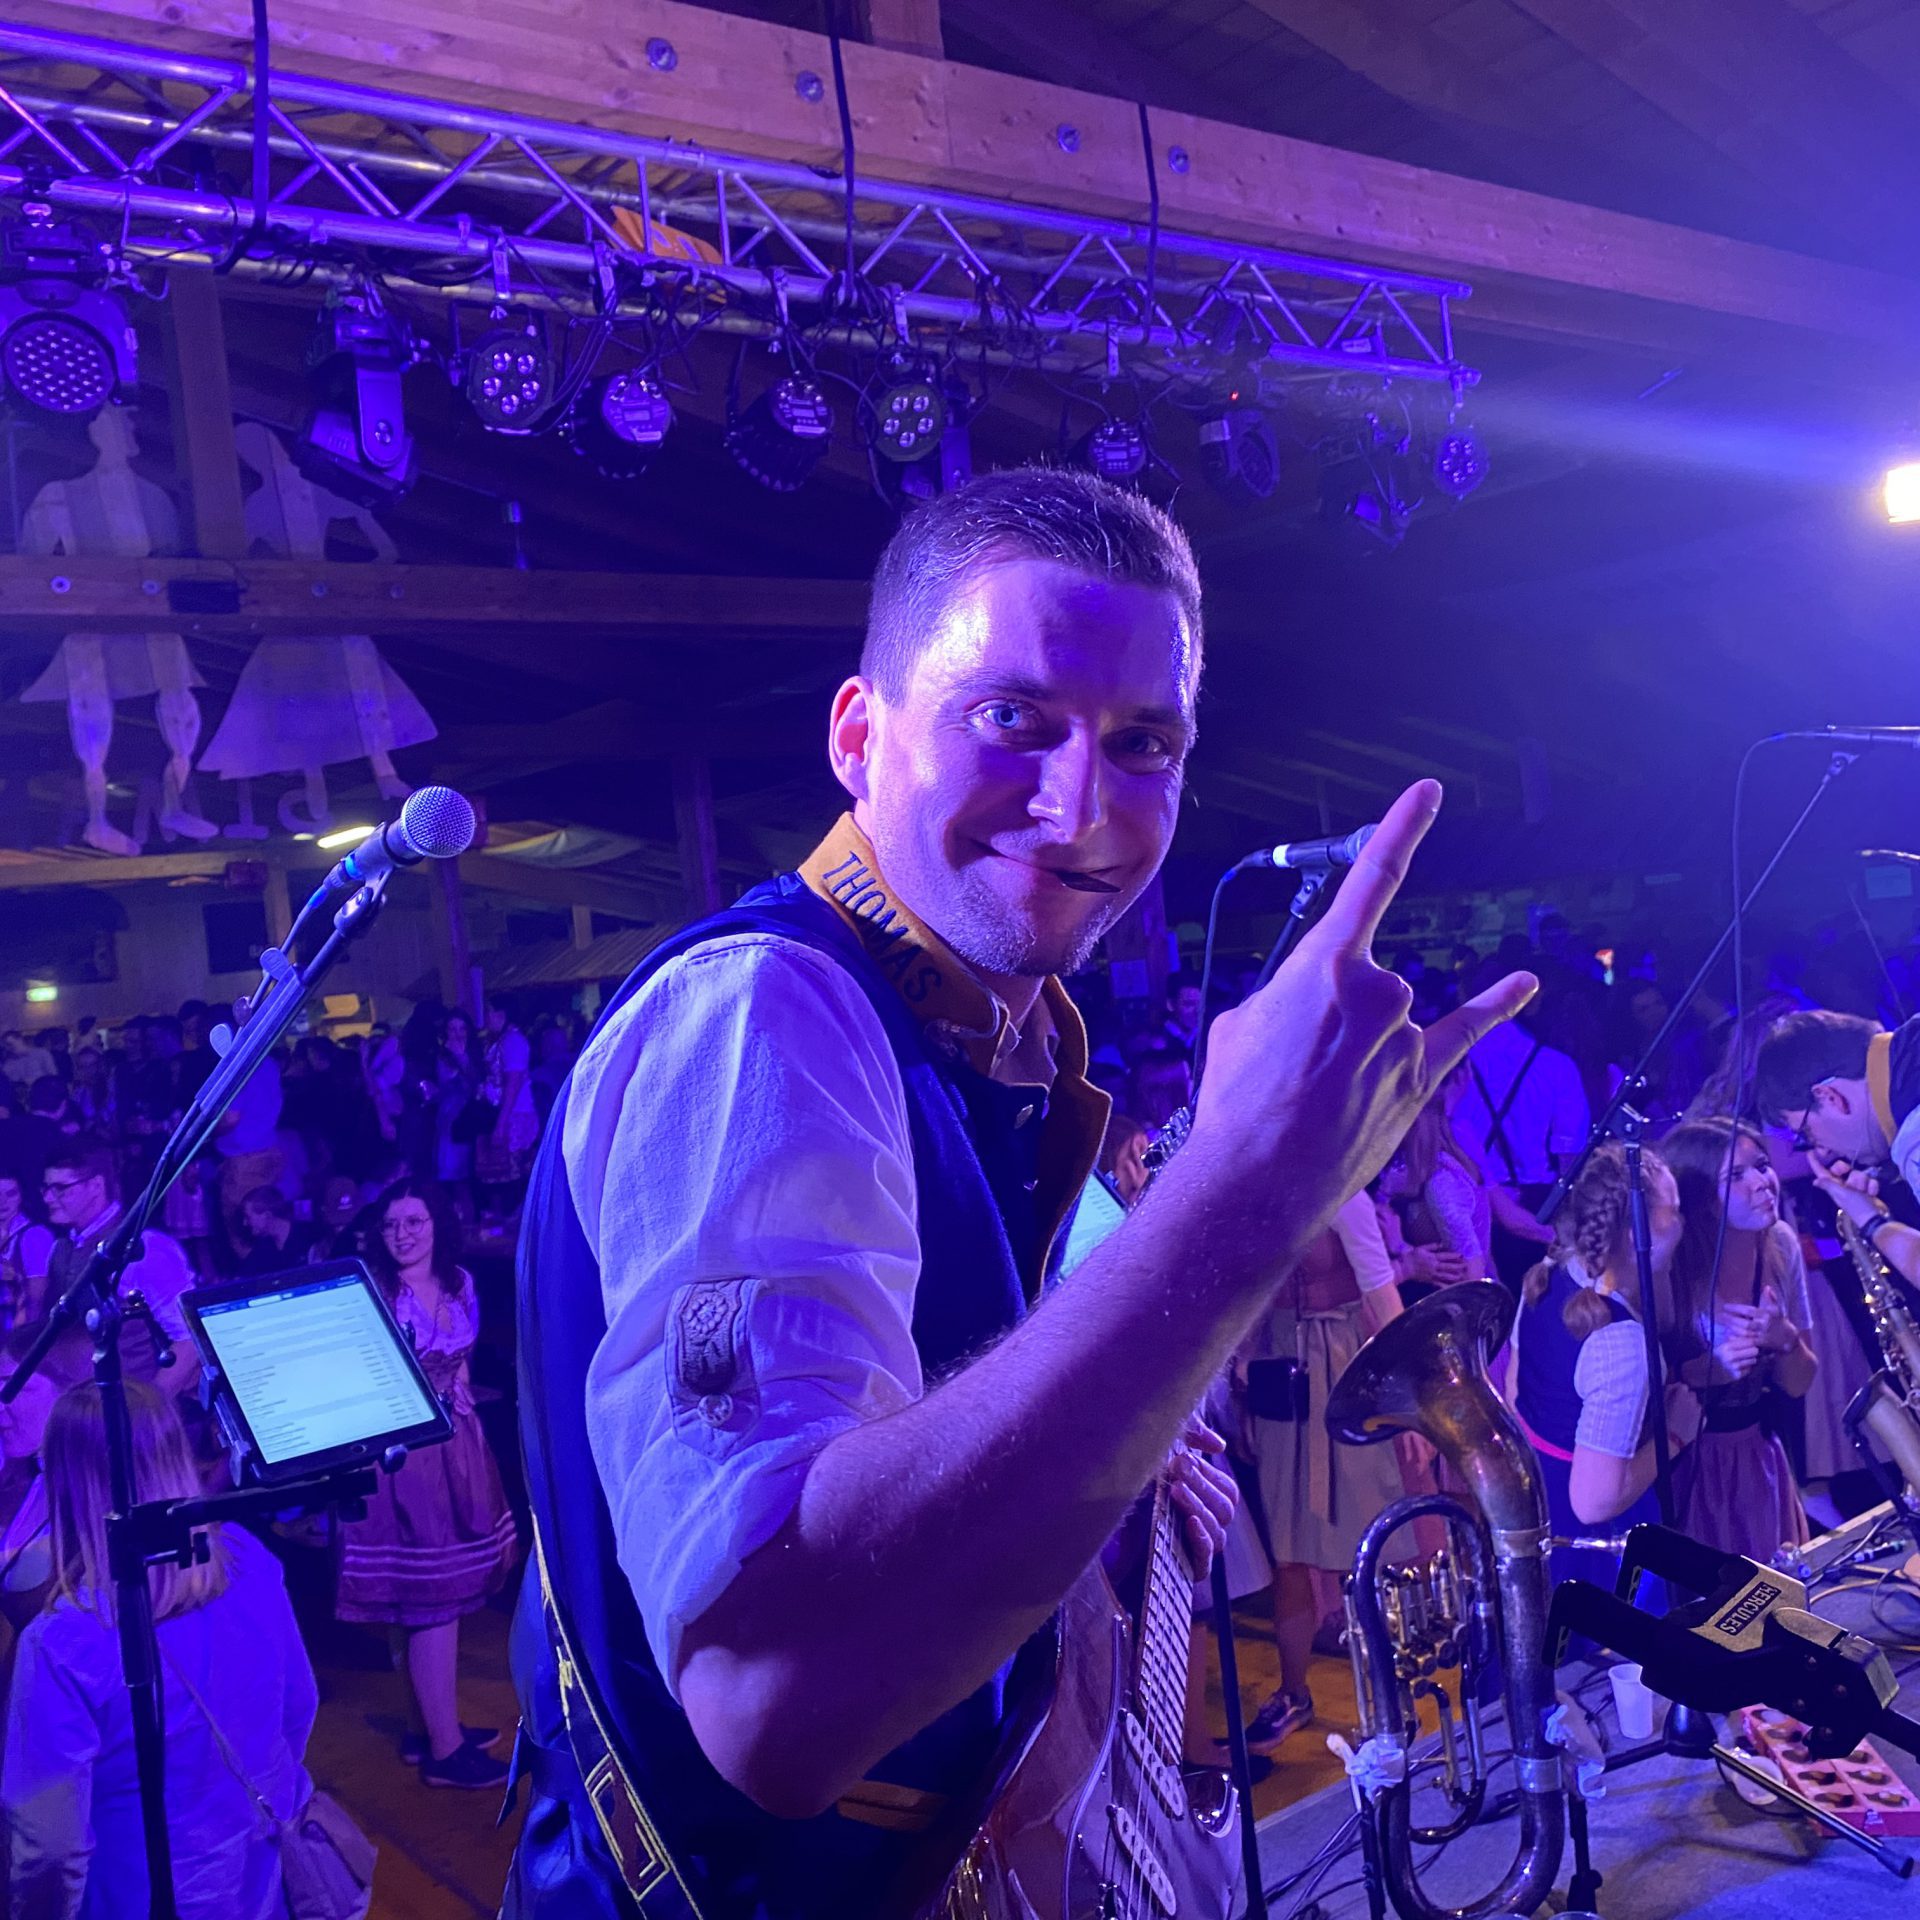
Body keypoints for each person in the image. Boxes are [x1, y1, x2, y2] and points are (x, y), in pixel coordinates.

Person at [505, 465, 1535, 1916]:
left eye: (1143, 743)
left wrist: (1111, 1453)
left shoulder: (993, 1039)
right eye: (1014, 720)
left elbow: (935, 1435)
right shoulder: (763, 1016)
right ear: (859, 736)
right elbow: (775, 1700)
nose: (1081, 809)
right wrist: (1248, 1187)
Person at [2, 1380, 320, 1920]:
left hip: (136, 1894)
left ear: (64, 1482)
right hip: (258, 1875)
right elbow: (297, 1709)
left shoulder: (65, 1642)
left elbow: (50, 1846)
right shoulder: (249, 1558)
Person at [336, 1180, 516, 1787]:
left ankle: (427, 1727)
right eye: (392, 1225)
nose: (403, 1234)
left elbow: (460, 1361)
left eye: (414, 1222)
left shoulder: (460, 1282)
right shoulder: (376, 1292)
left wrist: (466, 1419)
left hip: (454, 1444)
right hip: (403, 1456)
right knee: (428, 1598)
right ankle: (444, 1752)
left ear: (438, 1224)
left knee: (441, 1595)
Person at [1237, 1188, 1417, 1750]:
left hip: (1343, 1368)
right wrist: (1242, 1383)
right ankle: (1294, 1692)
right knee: (1288, 1552)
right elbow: (1249, 1298)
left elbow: (1383, 1301)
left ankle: (1390, 1698)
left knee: (1364, 1548)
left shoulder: (1346, 1196)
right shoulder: (1259, 1193)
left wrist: (1410, 1402)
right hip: (1281, 1375)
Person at [1507, 1143, 1702, 1603]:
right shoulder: (1621, 1345)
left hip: (1538, 1508)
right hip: (1598, 1549)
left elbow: (1515, 1392)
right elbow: (1593, 1501)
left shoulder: (1552, 1270)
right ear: (1637, 1234)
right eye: (1673, 1211)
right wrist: (1676, 1433)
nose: (1682, 1222)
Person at [1660, 1119, 1815, 1562]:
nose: (1763, 1182)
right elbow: (1639, 1396)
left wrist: (1784, 1338)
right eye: (1737, 1176)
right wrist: (1702, 1372)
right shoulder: (1673, 1261)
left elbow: (1800, 1383)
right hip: (1689, 1466)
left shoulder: (1780, 1244)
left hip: (1760, 1457)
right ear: (1702, 1198)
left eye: (1762, 1165)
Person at [1451, 959, 1586, 1292]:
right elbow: (1570, 1158)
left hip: (1465, 1206)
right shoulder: (1557, 1066)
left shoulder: (1454, 1065)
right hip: (1537, 1207)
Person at [39, 1140, 193, 1381]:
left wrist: (153, 1399)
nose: (48, 1198)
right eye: (46, 1188)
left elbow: (187, 1340)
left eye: (60, 1188)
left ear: (96, 1185)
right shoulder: (60, 1248)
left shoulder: (145, 1246)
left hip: (131, 1394)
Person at [1376, 1065, 1493, 1288]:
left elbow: (1474, 1278)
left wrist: (1401, 1248)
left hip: (1451, 1307)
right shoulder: (1405, 1169)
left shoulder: (1442, 1182)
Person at [0, 1168, 55, 1331]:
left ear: (21, 1196)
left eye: (11, 1194)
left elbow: (37, 1301)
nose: (2, 1201)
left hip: (17, 1334)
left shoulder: (34, 1236)